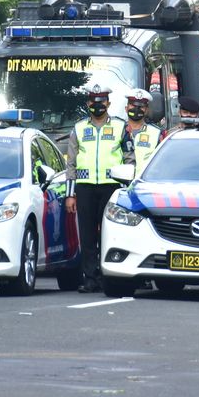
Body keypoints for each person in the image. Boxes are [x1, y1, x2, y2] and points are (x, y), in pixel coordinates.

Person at [64, 85, 130, 292]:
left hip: (112, 187)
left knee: (110, 233)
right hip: (85, 188)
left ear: (108, 104)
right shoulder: (79, 128)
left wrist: (126, 188)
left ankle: (108, 276)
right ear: (87, 104)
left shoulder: (121, 128)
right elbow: (71, 164)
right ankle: (91, 278)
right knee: (88, 235)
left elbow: (130, 159)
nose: (97, 105)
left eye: (101, 101)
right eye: (93, 101)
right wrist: (69, 195)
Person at [122, 88, 162, 178]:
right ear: (126, 108)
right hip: (118, 184)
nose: (137, 109)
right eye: (133, 105)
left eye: (141, 106)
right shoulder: (118, 129)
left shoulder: (156, 133)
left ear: (147, 110)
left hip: (145, 183)